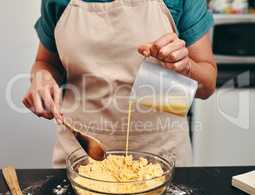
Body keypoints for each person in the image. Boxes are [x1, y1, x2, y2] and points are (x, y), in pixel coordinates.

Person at [23, 0, 217, 167]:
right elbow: (46, 63)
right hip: (81, 153)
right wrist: (42, 78)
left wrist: (185, 67)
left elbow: (207, 86)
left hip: (162, 155)